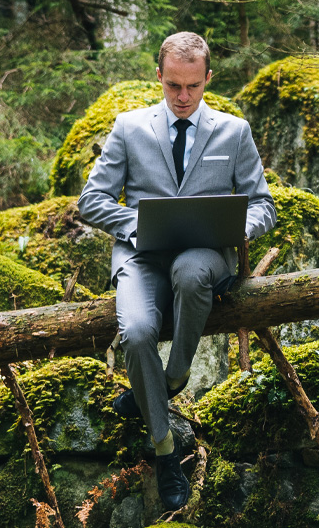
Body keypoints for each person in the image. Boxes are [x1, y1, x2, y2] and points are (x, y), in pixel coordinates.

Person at [77, 32, 276, 511]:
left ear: (208, 78)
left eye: (192, 86)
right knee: (139, 331)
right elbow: (91, 200)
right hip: (141, 255)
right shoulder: (128, 127)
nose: (182, 97)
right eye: (172, 86)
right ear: (159, 78)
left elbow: (264, 205)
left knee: (190, 271)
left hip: (205, 256)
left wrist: (235, 229)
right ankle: (165, 448)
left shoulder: (234, 131)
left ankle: (172, 378)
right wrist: (137, 225)